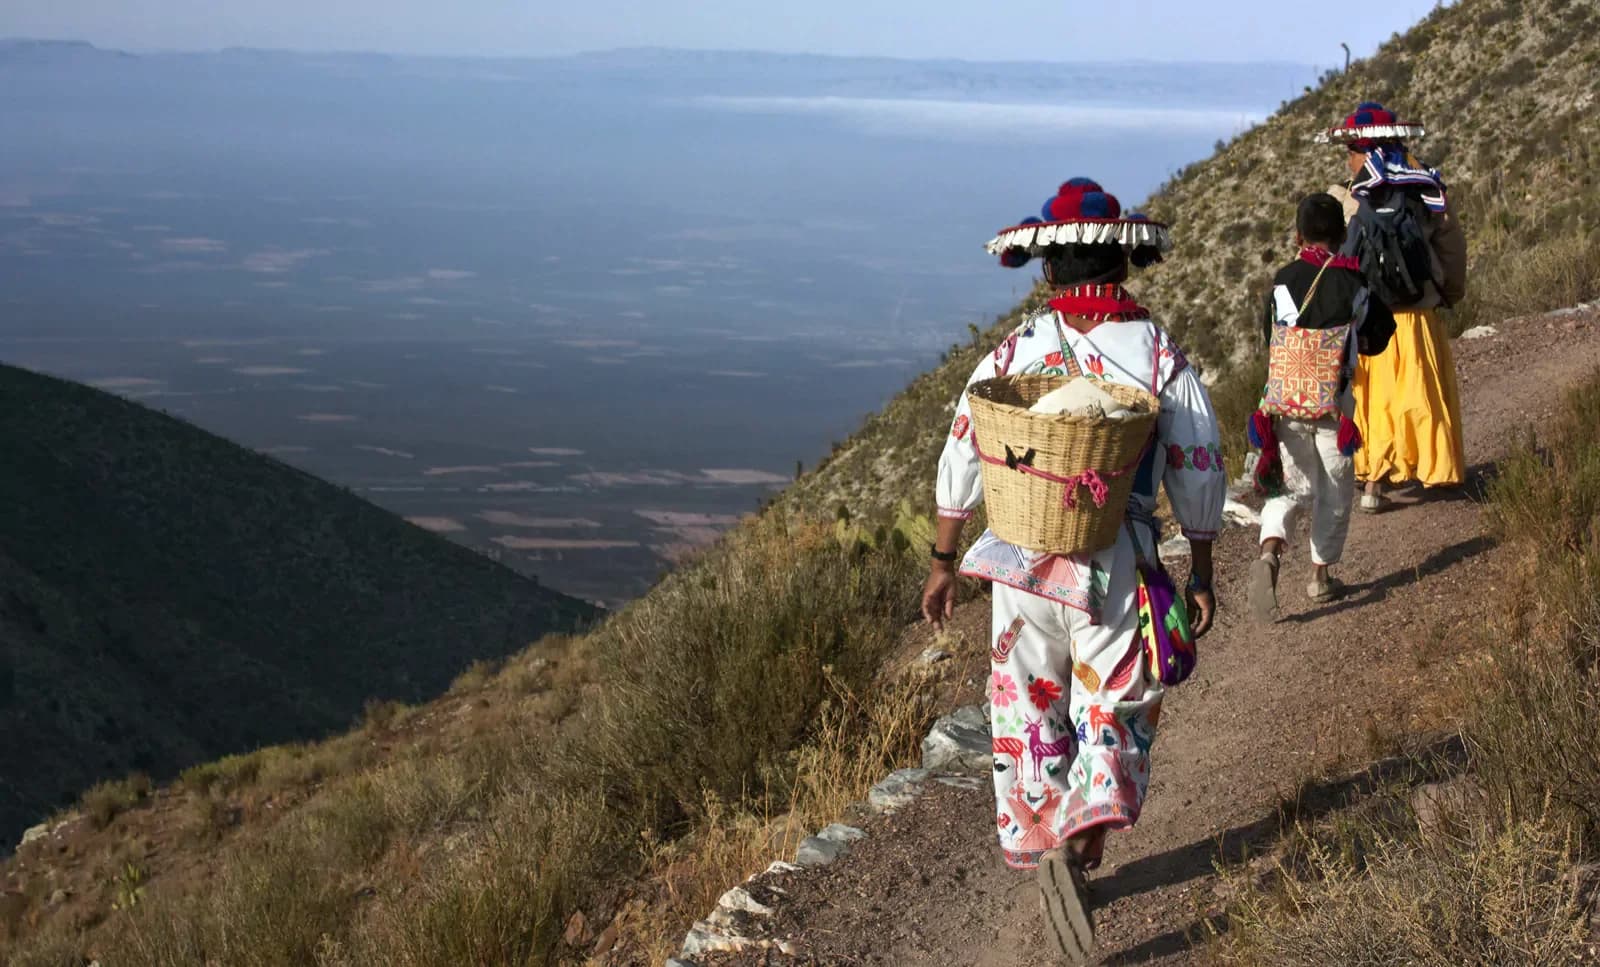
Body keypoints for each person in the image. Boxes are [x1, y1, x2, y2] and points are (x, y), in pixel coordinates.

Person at [920, 179, 1225, 963]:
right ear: (1121, 261)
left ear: (1050, 268)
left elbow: (965, 445)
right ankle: (1084, 830)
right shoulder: (1157, 354)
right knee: (1113, 696)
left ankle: (1046, 821)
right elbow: (1196, 459)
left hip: (1018, 559)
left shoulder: (1015, 351)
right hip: (1113, 556)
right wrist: (1200, 564)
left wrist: (945, 560)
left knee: (1030, 699)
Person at [1247, 193, 1395, 622]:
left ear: (1298, 236)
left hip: (1286, 404)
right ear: (1343, 234)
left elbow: (1269, 335)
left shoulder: (1282, 280)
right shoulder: (1353, 282)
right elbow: (1379, 334)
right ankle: (1319, 576)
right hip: (1335, 408)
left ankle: (1270, 552)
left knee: (1289, 489)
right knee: (1333, 490)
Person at [1320, 102, 1468, 512]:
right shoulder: (1427, 187)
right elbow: (1451, 247)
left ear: (1366, 150)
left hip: (1371, 320)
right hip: (1417, 316)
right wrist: (1450, 293)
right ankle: (1435, 467)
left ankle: (1374, 481)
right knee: (1419, 393)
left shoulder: (1352, 198)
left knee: (1375, 399)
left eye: (1351, 150)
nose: (1348, 160)